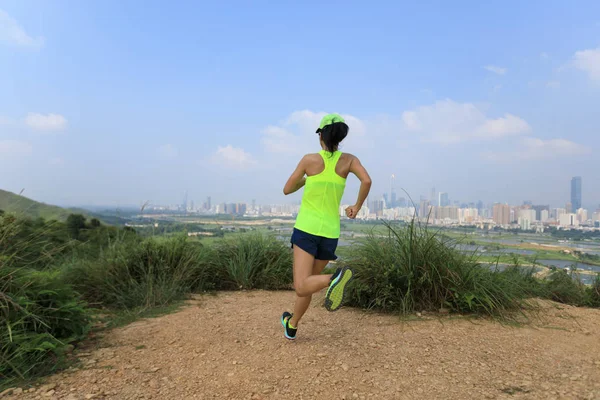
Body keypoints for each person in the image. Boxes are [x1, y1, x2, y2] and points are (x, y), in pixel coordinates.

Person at [280, 113, 372, 340]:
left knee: (302, 286)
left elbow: (287, 189)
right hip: (330, 233)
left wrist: (306, 179)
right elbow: (367, 180)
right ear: (339, 136)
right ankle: (292, 325)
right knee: (310, 282)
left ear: (320, 135)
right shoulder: (349, 160)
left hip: (306, 230)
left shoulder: (309, 160)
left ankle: (335, 278)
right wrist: (357, 207)